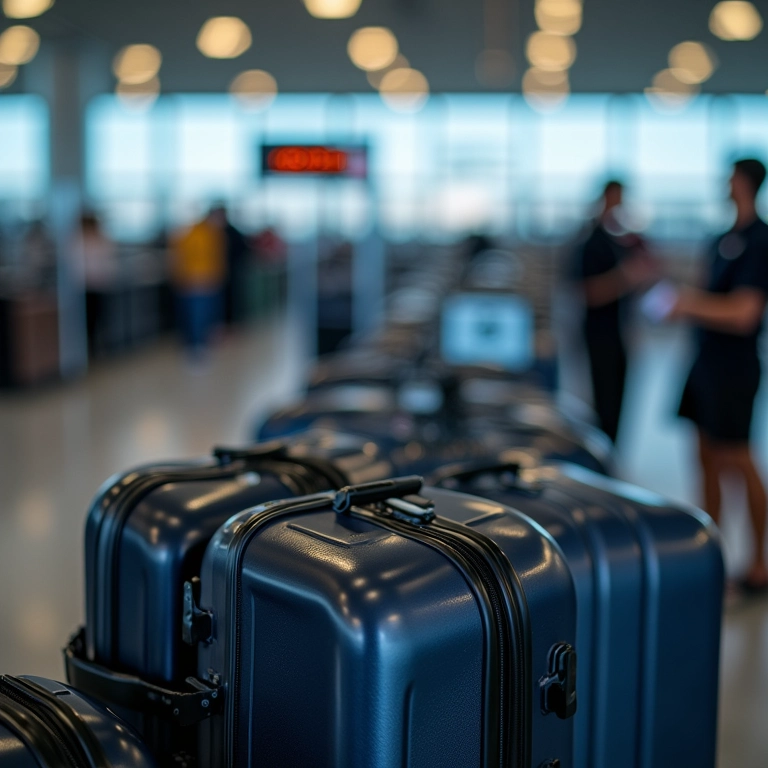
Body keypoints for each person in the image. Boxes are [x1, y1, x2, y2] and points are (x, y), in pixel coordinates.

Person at [672, 158, 768, 592]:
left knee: (738, 459)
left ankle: (759, 562)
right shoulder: (721, 239)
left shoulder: (759, 240)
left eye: (730, 177)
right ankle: (712, 555)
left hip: (734, 367)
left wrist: (689, 304)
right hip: (705, 362)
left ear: (745, 182)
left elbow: (745, 313)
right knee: (706, 457)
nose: (725, 183)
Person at [572, 180, 659, 442]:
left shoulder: (621, 241)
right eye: (615, 198)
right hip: (601, 335)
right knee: (604, 402)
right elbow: (588, 293)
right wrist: (625, 278)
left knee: (619, 400)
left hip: (623, 333)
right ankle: (603, 453)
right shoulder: (591, 243)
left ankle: (613, 451)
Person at [170, 208, 227, 363]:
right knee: (196, 316)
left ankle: (201, 345)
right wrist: (186, 278)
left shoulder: (213, 234)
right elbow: (181, 258)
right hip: (196, 282)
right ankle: (195, 348)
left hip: (209, 281)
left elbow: (215, 258)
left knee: (206, 316)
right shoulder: (195, 234)